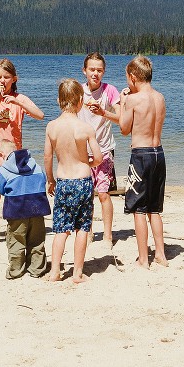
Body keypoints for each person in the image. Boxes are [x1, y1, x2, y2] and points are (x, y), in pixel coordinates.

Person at [0, 58, 44, 244]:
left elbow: (40, 115)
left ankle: (15, 229)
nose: (2, 81)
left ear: (14, 79)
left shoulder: (19, 98)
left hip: (15, 156)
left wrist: (18, 103)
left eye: (6, 77)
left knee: (15, 194)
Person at [44, 78, 103, 283]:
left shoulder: (52, 127)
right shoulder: (85, 128)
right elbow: (98, 158)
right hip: (83, 181)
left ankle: (55, 271)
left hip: (63, 181)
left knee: (61, 229)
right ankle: (77, 273)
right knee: (82, 228)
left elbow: (47, 157)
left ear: (58, 100)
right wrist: (87, 162)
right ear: (80, 101)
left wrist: (50, 180)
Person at [118, 55, 168, 269]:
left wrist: (123, 102)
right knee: (154, 209)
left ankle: (143, 259)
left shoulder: (133, 99)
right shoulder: (160, 97)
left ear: (132, 77)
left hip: (141, 154)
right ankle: (161, 255)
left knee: (138, 208)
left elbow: (124, 129)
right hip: (158, 154)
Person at [78, 52, 121, 246]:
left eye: (99, 70)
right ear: (84, 71)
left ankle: (107, 235)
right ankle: (88, 232)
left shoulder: (110, 90)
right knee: (86, 195)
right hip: (82, 152)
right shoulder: (78, 91)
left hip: (104, 150)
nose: (95, 73)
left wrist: (104, 112)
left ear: (104, 72)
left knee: (103, 194)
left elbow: (121, 118)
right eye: (92, 70)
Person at [0, 139, 50, 279]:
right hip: (37, 208)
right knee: (37, 240)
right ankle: (36, 269)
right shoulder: (35, 165)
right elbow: (43, 179)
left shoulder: (5, 170)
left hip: (16, 210)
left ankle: (16, 270)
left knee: (16, 240)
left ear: (1, 155)